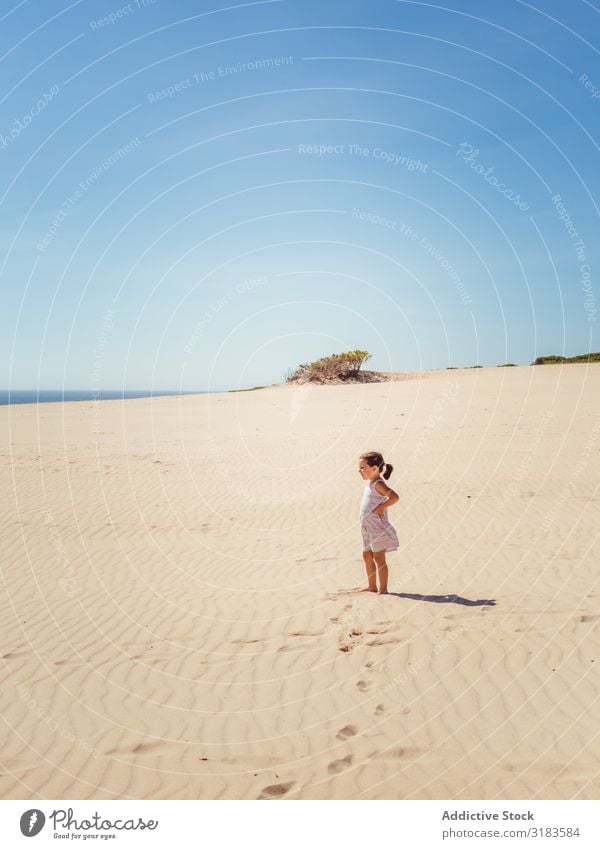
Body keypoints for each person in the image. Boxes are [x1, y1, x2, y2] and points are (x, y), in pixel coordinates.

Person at [357, 451, 399, 594]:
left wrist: (381, 507)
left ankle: (383, 589)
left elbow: (394, 497)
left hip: (377, 527)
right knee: (367, 555)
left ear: (375, 468)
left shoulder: (379, 485)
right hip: (367, 527)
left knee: (378, 557)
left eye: (363, 467)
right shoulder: (370, 484)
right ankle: (372, 586)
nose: (359, 470)